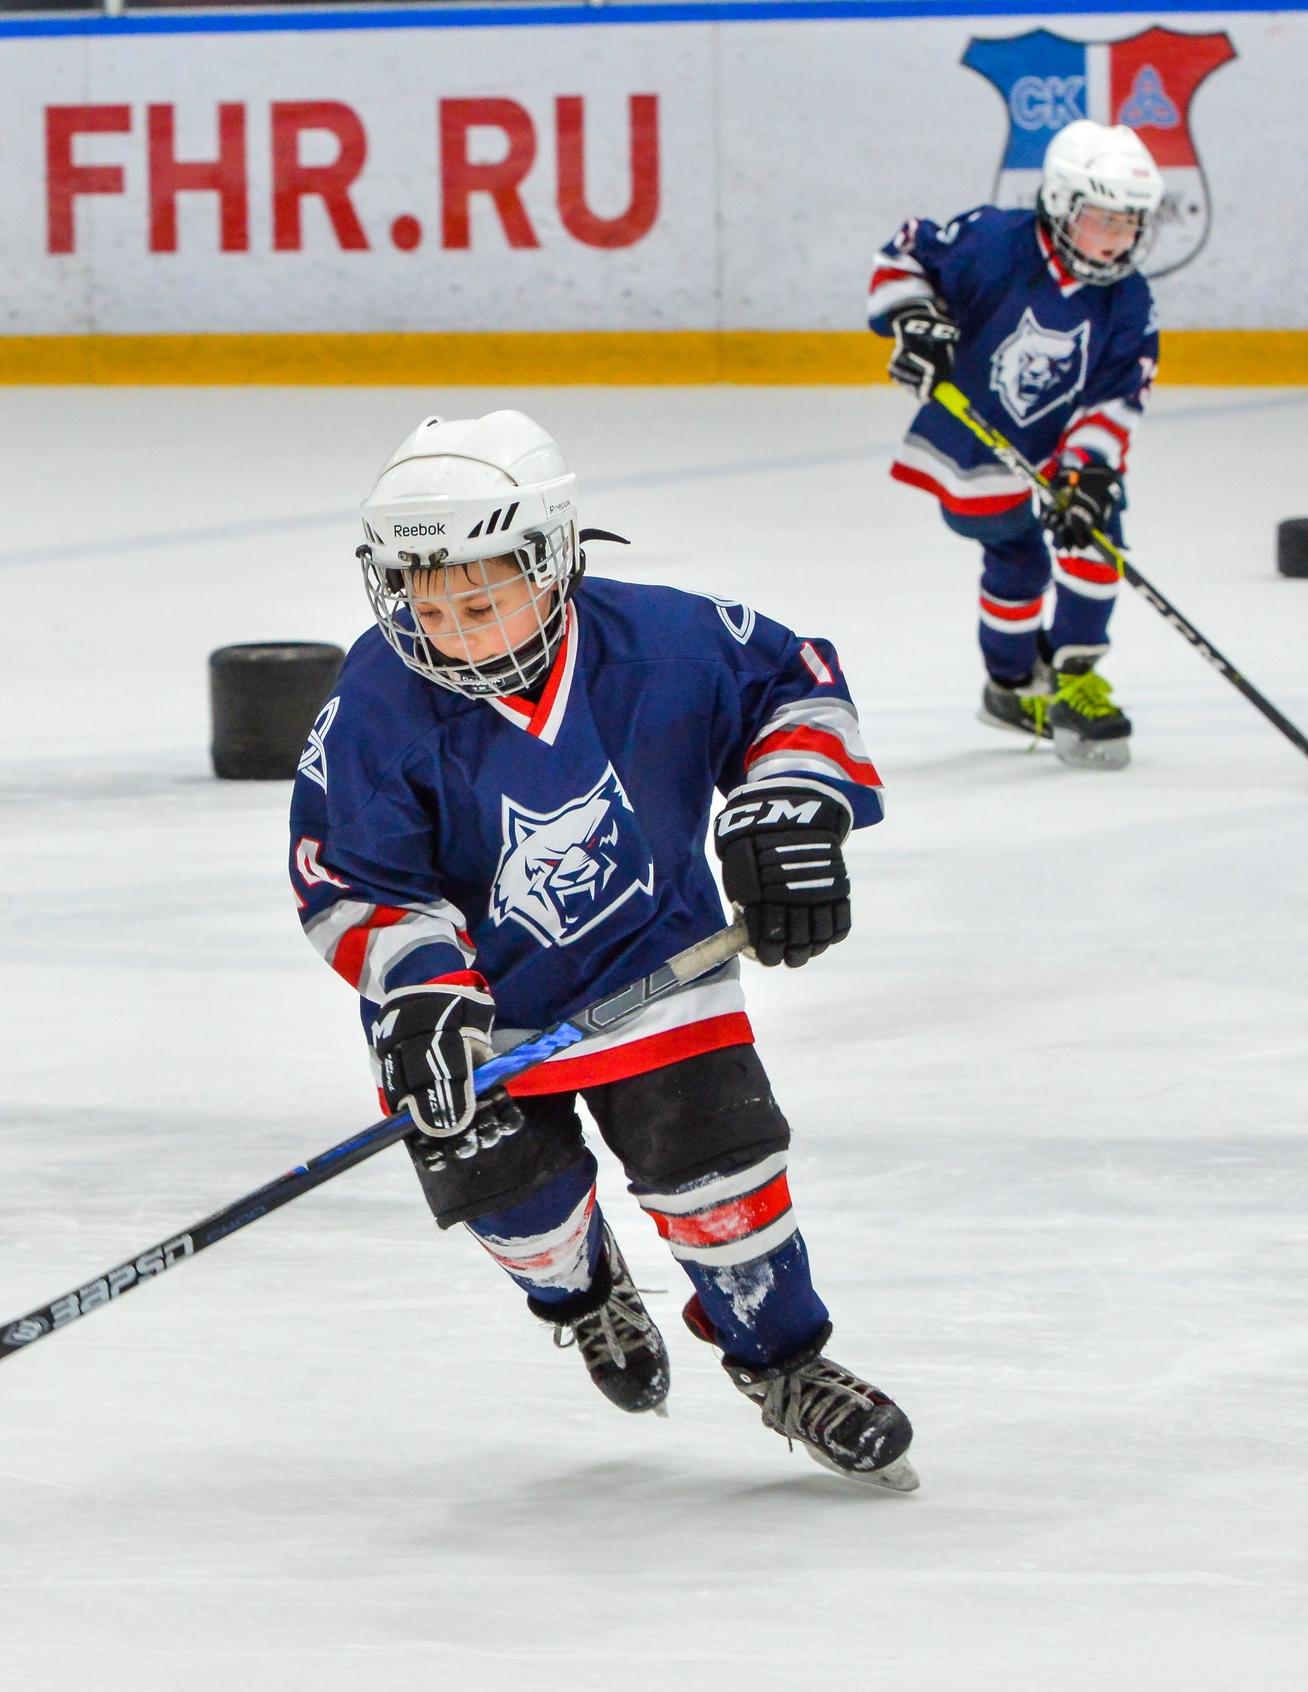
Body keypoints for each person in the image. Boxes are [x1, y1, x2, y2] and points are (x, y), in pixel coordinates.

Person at [286, 409, 916, 1491]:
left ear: (551, 561)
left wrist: (790, 803)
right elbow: (352, 875)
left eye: (479, 601)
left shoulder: (662, 643)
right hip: (477, 1017)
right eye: (423, 604)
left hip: (658, 968)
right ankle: (582, 1295)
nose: (449, 632)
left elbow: (793, 681)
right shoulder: (377, 705)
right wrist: (421, 988)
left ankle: (786, 1364)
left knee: (722, 1180)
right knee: (518, 1209)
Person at [867, 118, 1166, 769]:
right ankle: (1012, 685)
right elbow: (905, 253)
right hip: (976, 443)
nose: (1117, 240)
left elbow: (1116, 397)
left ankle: (1076, 677)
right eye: (1102, 220)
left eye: (1129, 225)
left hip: (1062, 448)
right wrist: (914, 319)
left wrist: (1088, 471)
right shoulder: (994, 242)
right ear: (1059, 202)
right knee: (1018, 561)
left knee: (1095, 537)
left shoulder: (1129, 301)